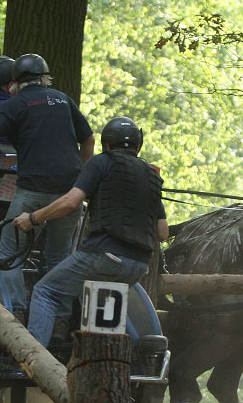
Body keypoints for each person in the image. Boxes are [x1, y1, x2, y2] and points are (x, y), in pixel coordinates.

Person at [0, 54, 96, 321]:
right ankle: (61, 318)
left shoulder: (15, 104)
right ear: (46, 77)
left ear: (14, 84)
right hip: (69, 193)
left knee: (9, 251)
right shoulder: (63, 100)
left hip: (34, 190)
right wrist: (83, 177)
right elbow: (88, 139)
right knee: (59, 255)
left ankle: (16, 310)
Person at [11, 116, 168, 346]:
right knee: (103, 302)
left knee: (46, 291)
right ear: (138, 146)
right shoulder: (152, 176)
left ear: (106, 144)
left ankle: (34, 361)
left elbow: (71, 202)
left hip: (102, 256)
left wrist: (33, 218)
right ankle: (140, 354)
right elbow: (162, 233)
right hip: (137, 265)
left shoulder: (101, 163)